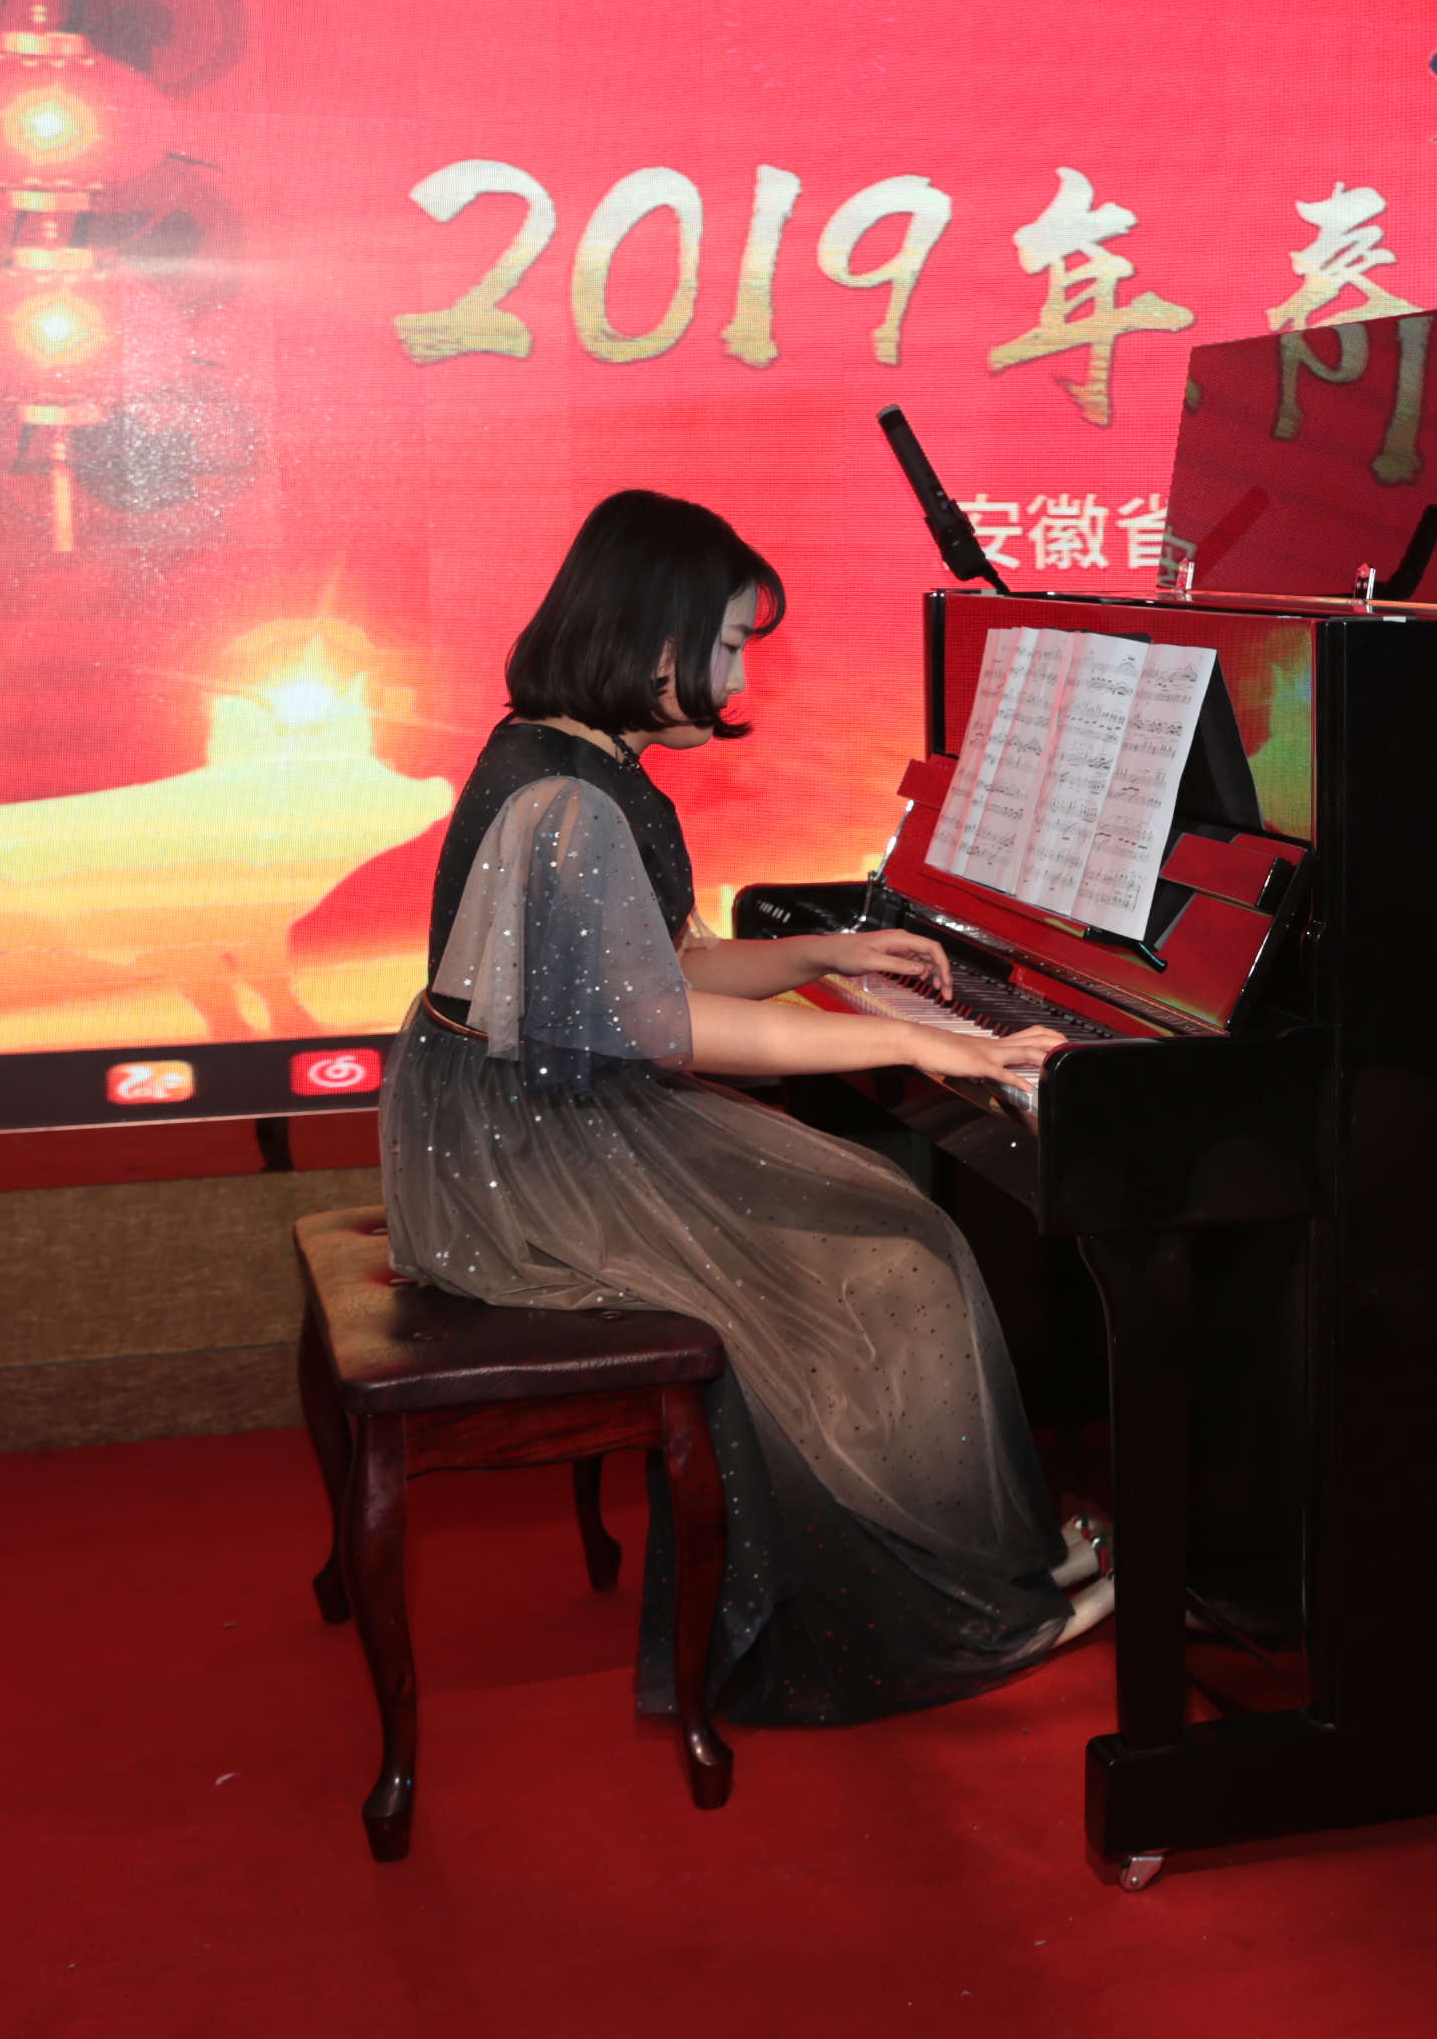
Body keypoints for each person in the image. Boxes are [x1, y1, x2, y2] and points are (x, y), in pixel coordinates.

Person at [381, 488, 1109, 1726]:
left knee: (887, 1230)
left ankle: (994, 1559)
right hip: (529, 1149)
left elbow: (670, 965)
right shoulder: (566, 802)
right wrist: (927, 1044)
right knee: (891, 1247)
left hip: (542, 1108)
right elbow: (674, 1023)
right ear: (652, 639)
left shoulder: (581, 758)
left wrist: (828, 952)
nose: (735, 677)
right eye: (725, 645)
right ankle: (961, 1601)